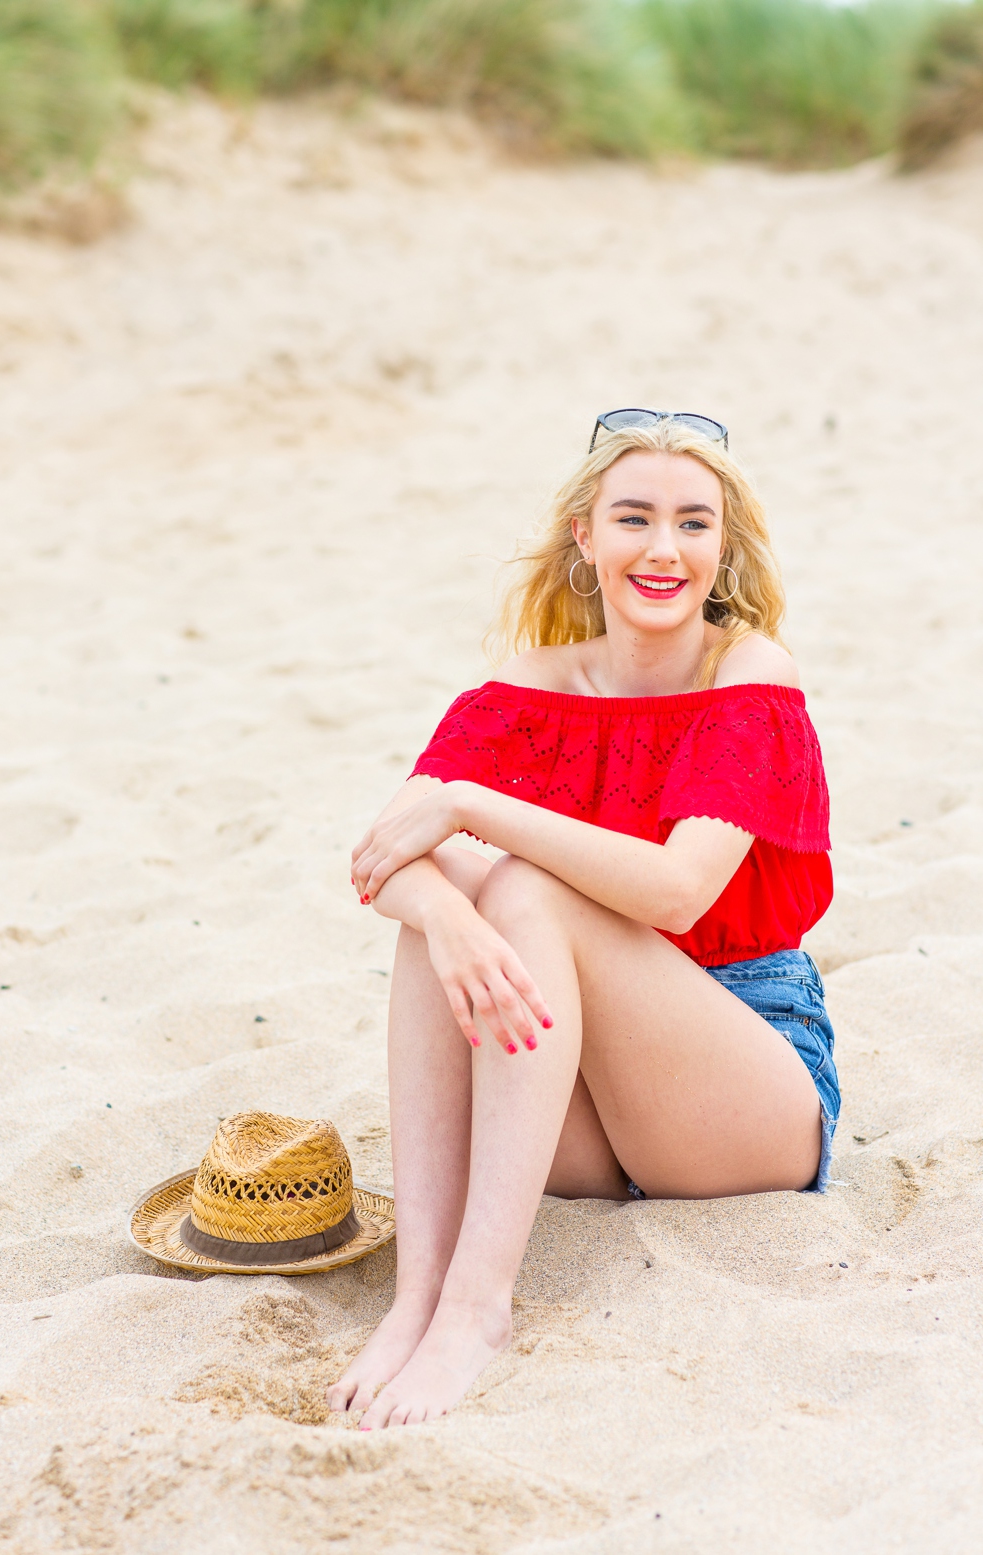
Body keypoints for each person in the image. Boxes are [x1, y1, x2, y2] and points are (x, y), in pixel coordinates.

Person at [326, 411, 839, 1430]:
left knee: (516, 885)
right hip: (570, 1107)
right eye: (633, 518)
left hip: (738, 1087)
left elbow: (674, 893)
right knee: (440, 911)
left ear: (723, 547)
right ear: (583, 537)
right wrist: (443, 912)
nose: (662, 549)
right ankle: (418, 1298)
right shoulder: (523, 687)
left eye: (693, 524)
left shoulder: (748, 672)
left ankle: (476, 1312)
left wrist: (476, 810)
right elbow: (382, 862)